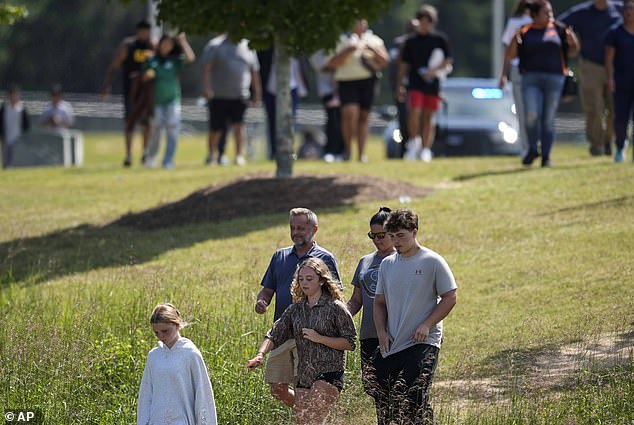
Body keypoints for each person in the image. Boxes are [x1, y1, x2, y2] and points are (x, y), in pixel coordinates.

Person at [373, 208, 457, 425]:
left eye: (400, 235)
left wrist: (427, 324)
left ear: (414, 232)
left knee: (414, 398)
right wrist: (381, 332)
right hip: (393, 343)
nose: (396, 241)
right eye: (392, 236)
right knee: (387, 402)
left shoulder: (432, 261)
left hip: (423, 341)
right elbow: (379, 302)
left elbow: (450, 297)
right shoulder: (387, 264)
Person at [248, 257, 356, 425]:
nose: (304, 283)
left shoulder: (336, 307)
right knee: (303, 420)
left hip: (330, 371)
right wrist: (261, 354)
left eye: (309, 279)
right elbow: (274, 334)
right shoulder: (295, 309)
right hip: (304, 374)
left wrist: (319, 338)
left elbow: (350, 342)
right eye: (301, 279)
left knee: (313, 416)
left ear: (321, 280)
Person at [254, 207, 341, 408]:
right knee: (277, 388)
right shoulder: (279, 256)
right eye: (293, 228)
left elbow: (336, 294)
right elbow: (267, 289)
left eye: (301, 228)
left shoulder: (325, 257)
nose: (296, 232)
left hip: (312, 335)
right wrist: (262, 302)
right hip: (283, 332)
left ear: (314, 229)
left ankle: (308, 417)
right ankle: (309, 414)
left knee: (303, 386)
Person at [499, 0, 580, 167]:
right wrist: (515, 40)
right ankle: (532, 148)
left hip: (554, 78)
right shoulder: (524, 31)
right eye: (546, 13)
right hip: (531, 79)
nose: (550, 16)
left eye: (550, 12)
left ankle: (546, 156)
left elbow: (572, 51)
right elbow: (511, 55)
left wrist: (573, 41)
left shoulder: (559, 29)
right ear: (534, 15)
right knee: (531, 115)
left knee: (548, 118)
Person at [559, 0, 623, 157]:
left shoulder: (621, 9)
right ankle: (597, 144)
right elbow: (559, 24)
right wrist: (571, 39)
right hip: (591, 65)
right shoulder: (582, 12)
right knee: (594, 107)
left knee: (616, 108)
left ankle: (609, 139)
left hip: (617, 66)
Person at [346, 207, 395, 407]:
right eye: (372, 235)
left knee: (401, 390)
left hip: (396, 333)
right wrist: (339, 315)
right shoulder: (365, 262)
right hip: (369, 334)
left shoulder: (403, 259)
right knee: (374, 388)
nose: (377, 240)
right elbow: (356, 300)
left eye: (382, 234)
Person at [137, 303, 217, 425]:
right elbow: (146, 395)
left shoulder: (190, 354)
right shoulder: (154, 356)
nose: (161, 336)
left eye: (165, 331)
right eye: (156, 333)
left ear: (176, 324)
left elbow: (203, 394)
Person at [397, 6, 453, 162]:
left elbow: (448, 60)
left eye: (427, 22)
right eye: (422, 21)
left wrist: (433, 71)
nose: (424, 25)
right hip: (415, 82)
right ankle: (414, 142)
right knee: (415, 111)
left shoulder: (439, 40)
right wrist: (400, 84)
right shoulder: (410, 41)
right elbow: (404, 65)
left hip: (433, 83)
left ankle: (426, 149)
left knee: (429, 116)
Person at [328, 19, 389, 162]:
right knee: (350, 114)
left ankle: (362, 154)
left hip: (368, 81)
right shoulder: (342, 40)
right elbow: (331, 63)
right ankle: (348, 149)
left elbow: (385, 61)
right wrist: (350, 50)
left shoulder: (374, 40)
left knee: (363, 117)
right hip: (347, 81)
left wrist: (372, 50)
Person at [201, 33, 261, 166]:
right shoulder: (215, 45)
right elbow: (206, 68)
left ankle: (239, 155)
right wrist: (206, 88)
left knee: (239, 126)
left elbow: (254, 71)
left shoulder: (248, 46)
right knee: (216, 128)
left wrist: (257, 92)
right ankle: (212, 154)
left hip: (240, 95)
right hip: (218, 95)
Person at [102, 20, 155, 167]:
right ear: (137, 31)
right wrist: (107, 84)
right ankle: (128, 154)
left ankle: (145, 153)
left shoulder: (153, 45)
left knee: (146, 123)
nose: (144, 34)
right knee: (130, 122)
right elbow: (114, 65)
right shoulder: (128, 46)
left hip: (147, 92)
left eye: (147, 31)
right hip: (131, 91)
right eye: (142, 31)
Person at [142, 33, 195, 169]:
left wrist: (182, 41)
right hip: (156, 101)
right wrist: (148, 75)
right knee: (156, 129)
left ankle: (168, 161)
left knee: (172, 128)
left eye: (170, 44)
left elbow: (190, 58)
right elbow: (143, 76)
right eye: (164, 43)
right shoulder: (151, 59)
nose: (166, 47)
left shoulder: (175, 61)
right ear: (160, 44)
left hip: (172, 100)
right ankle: (151, 158)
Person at [258, 49, 309, 160]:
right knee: (273, 122)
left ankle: (289, 151)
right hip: (271, 89)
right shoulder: (268, 49)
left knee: (290, 122)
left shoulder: (296, 48)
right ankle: (274, 153)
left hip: (292, 88)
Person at [501, 0, 533, 157]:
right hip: (518, 69)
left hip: (538, 69)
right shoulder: (515, 23)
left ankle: (537, 142)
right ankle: (526, 146)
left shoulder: (544, 22)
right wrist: (503, 74)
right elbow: (508, 50)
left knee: (537, 110)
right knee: (522, 110)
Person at [605, 0, 634, 162]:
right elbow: (609, 58)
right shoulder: (615, 32)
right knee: (621, 118)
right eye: (626, 8)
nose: (629, 11)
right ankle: (621, 146)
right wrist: (610, 78)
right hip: (622, 81)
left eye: (632, 8)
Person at [387, 20, 417, 158]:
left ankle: (418, 148)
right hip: (403, 86)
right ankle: (404, 149)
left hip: (418, 85)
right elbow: (394, 64)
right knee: (404, 119)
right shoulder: (399, 43)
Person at [309, 50, 345, 162]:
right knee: (333, 122)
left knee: (344, 122)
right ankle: (332, 151)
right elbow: (324, 66)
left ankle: (342, 151)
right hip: (328, 91)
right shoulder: (317, 49)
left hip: (344, 90)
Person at [0, 84, 30, 168]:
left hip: (18, 138)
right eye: (12, 95)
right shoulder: (4, 107)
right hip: (6, 138)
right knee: (5, 158)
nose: (14, 97)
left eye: (16, 95)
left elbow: (26, 125)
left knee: (16, 159)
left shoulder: (22, 108)